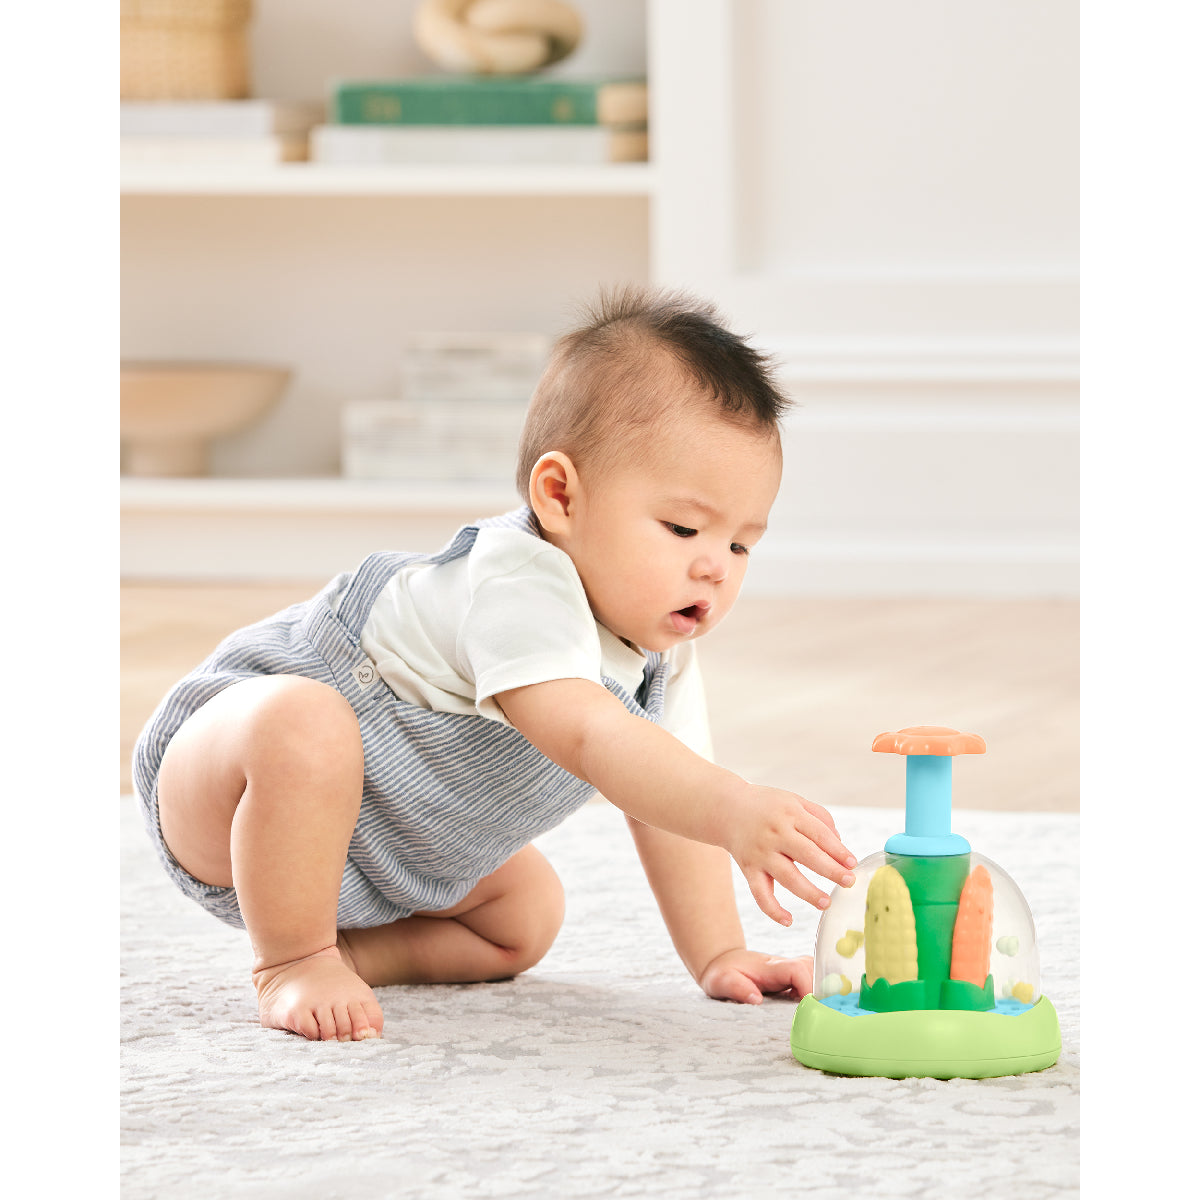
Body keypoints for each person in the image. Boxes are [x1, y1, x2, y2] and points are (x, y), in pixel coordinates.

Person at [132, 285, 858, 1043]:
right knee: (303, 722)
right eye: (683, 528)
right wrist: (732, 805)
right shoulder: (519, 579)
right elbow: (587, 735)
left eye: (741, 544)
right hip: (230, 794)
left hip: (379, 862)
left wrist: (719, 951)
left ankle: (345, 947)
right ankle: (291, 959)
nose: (715, 567)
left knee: (526, 917)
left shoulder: (661, 658)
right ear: (559, 497)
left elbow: (662, 794)